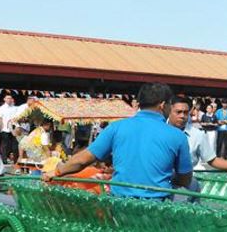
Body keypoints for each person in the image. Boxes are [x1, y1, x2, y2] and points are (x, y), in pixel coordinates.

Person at [43, 83, 193, 200]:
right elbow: (185, 180)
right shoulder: (177, 136)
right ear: (163, 105)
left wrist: (57, 171)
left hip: (120, 204)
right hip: (156, 208)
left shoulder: (116, 127)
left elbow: (83, 160)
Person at [167, 96, 227, 200]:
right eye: (178, 112)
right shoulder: (157, 129)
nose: (182, 116)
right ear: (169, 111)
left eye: (185, 112)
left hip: (184, 186)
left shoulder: (197, 135)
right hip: (158, 183)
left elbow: (212, 160)